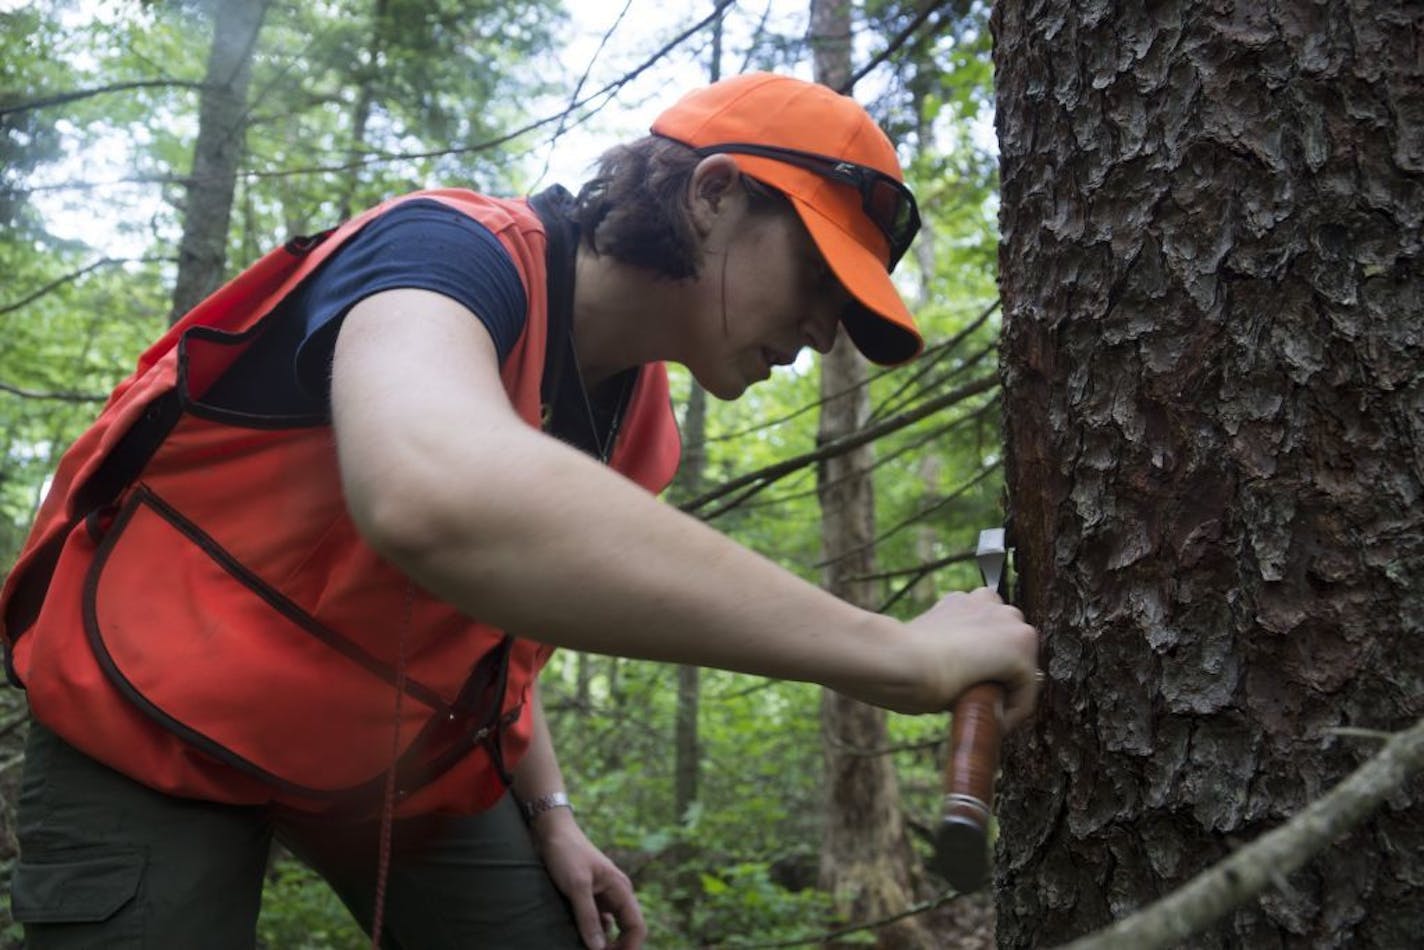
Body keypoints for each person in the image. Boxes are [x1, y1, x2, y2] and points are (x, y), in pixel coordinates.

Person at [0, 72, 1039, 949]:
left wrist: (550, 808)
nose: (824, 332)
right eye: (818, 272)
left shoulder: (640, 431)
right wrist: (891, 651)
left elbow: (493, 632)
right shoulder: (446, 256)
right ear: (715, 192)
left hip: (385, 747)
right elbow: (434, 493)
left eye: (848, 312)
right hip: (148, 711)